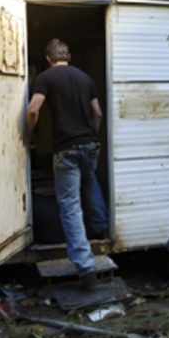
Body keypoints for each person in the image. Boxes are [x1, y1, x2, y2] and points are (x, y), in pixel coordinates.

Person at [26, 38, 109, 288]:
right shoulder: (85, 78)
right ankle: (101, 229)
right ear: (68, 56)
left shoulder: (45, 78)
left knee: (70, 205)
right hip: (89, 145)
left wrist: (31, 135)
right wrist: (92, 135)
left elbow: (33, 109)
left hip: (66, 149)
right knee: (90, 179)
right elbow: (98, 113)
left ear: (48, 58)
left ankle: (85, 267)